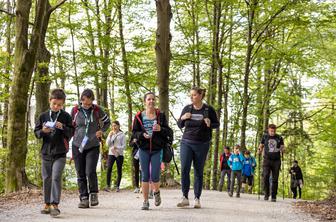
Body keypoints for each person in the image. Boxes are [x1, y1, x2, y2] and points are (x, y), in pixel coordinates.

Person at [177, 87, 220, 208]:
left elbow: (217, 124)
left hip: (202, 144)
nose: (192, 97)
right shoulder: (187, 108)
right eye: (191, 95)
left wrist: (210, 123)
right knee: (185, 168)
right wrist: (183, 118)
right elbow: (179, 124)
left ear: (201, 95)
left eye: (194, 95)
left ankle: (197, 198)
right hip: (186, 142)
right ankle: (185, 197)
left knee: (198, 171)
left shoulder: (208, 109)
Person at [34, 89, 73, 217]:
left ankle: (55, 205)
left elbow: (71, 132)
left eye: (59, 105)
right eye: (54, 103)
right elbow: (37, 133)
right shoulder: (43, 116)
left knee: (56, 177)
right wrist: (43, 131)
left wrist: (62, 127)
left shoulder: (66, 116)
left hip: (60, 152)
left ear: (63, 104)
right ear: (50, 101)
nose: (56, 106)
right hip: (46, 152)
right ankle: (46, 204)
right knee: (47, 178)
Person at [71, 89, 111, 208]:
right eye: (85, 103)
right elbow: (70, 126)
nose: (88, 106)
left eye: (90, 103)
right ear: (81, 100)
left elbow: (107, 122)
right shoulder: (75, 110)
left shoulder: (97, 110)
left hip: (93, 145)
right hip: (78, 145)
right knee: (80, 172)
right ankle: (83, 198)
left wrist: (102, 131)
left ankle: (93, 193)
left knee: (90, 171)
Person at [131, 92, 170, 210]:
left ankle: (157, 192)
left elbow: (168, 131)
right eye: (149, 99)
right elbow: (134, 133)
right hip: (143, 149)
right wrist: (142, 135)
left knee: (155, 176)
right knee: (145, 176)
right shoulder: (138, 116)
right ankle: (145, 201)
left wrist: (161, 129)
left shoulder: (161, 115)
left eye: (153, 99)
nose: (151, 101)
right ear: (145, 102)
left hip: (157, 149)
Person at [258, 124, 285, 202]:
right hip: (267, 159)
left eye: (274, 131)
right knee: (265, 176)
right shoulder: (265, 137)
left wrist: (283, 149)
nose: (272, 132)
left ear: (275, 130)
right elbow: (261, 145)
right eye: (271, 131)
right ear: (268, 130)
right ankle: (266, 194)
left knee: (275, 178)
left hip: (276, 160)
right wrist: (259, 150)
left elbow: (282, 147)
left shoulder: (279, 137)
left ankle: (273, 196)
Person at [105, 121, 126, 192]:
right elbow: (107, 144)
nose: (114, 127)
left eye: (115, 125)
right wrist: (110, 136)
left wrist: (117, 147)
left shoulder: (122, 134)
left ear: (119, 126)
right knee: (109, 168)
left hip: (119, 154)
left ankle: (117, 186)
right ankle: (108, 186)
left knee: (119, 169)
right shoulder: (110, 133)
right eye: (113, 126)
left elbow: (124, 146)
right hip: (111, 153)